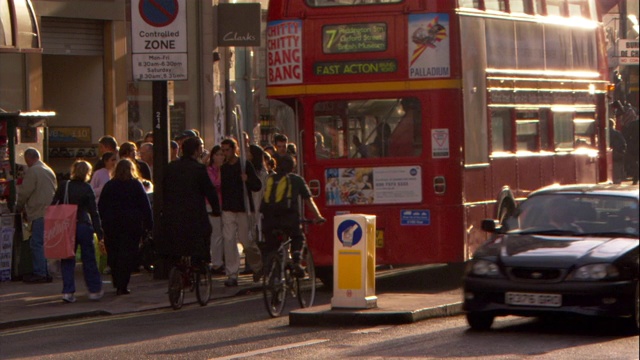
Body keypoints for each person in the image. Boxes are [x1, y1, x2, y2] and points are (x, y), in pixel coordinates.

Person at [159, 137, 220, 272]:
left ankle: (176, 267)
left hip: (173, 213)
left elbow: (163, 189)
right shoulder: (198, 169)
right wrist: (216, 210)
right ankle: (199, 264)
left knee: (176, 242)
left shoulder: (171, 168)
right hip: (194, 214)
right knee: (203, 235)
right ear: (197, 150)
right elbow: (209, 191)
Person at [260, 154, 325, 277]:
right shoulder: (297, 179)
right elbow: (308, 200)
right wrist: (318, 217)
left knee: (273, 245)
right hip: (288, 219)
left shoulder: (271, 179)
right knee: (298, 237)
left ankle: (270, 268)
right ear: (293, 167)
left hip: (269, 219)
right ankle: (296, 261)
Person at [52, 160, 104, 302]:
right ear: (88, 173)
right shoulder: (87, 188)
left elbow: (54, 204)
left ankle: (68, 292)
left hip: (68, 225)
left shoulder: (64, 185)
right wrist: (99, 234)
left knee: (67, 259)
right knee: (89, 259)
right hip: (83, 225)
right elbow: (94, 213)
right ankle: (94, 290)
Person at [98, 159, 153, 295]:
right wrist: (149, 225)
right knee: (128, 255)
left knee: (114, 253)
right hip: (131, 224)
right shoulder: (136, 185)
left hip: (112, 224)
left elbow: (101, 206)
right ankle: (123, 285)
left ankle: (116, 280)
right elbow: (146, 207)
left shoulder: (110, 185)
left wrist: (102, 223)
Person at [220, 137, 263, 287]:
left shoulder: (245, 165)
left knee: (246, 241)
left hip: (243, 208)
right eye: (223, 150)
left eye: (227, 150)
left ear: (234, 149)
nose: (225, 153)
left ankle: (258, 266)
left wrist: (247, 180)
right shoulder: (224, 168)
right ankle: (232, 274)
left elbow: (257, 185)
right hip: (228, 209)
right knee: (229, 240)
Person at [16, 148, 57, 283]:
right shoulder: (48, 170)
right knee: (45, 243)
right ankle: (46, 270)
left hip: (39, 211)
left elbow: (24, 192)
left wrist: (18, 206)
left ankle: (40, 272)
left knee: (36, 243)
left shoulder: (33, 171)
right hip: (50, 211)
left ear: (29, 158)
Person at [206, 145, 225, 274]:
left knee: (228, 236)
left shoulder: (227, 168)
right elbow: (215, 184)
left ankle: (224, 261)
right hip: (212, 204)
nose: (220, 157)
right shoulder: (209, 170)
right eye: (217, 154)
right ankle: (217, 263)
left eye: (222, 154)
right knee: (217, 234)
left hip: (227, 204)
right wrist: (219, 171)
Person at [622, 117, 639, 184]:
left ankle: (635, 178)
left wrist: (629, 143)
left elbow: (626, 135)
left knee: (635, 163)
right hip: (634, 146)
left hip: (634, 146)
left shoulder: (633, 124)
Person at [609, 119, 626, 184]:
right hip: (617, 153)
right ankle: (617, 179)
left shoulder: (604, 133)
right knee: (617, 167)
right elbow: (623, 143)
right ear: (613, 124)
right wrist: (622, 151)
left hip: (608, 153)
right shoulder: (617, 133)